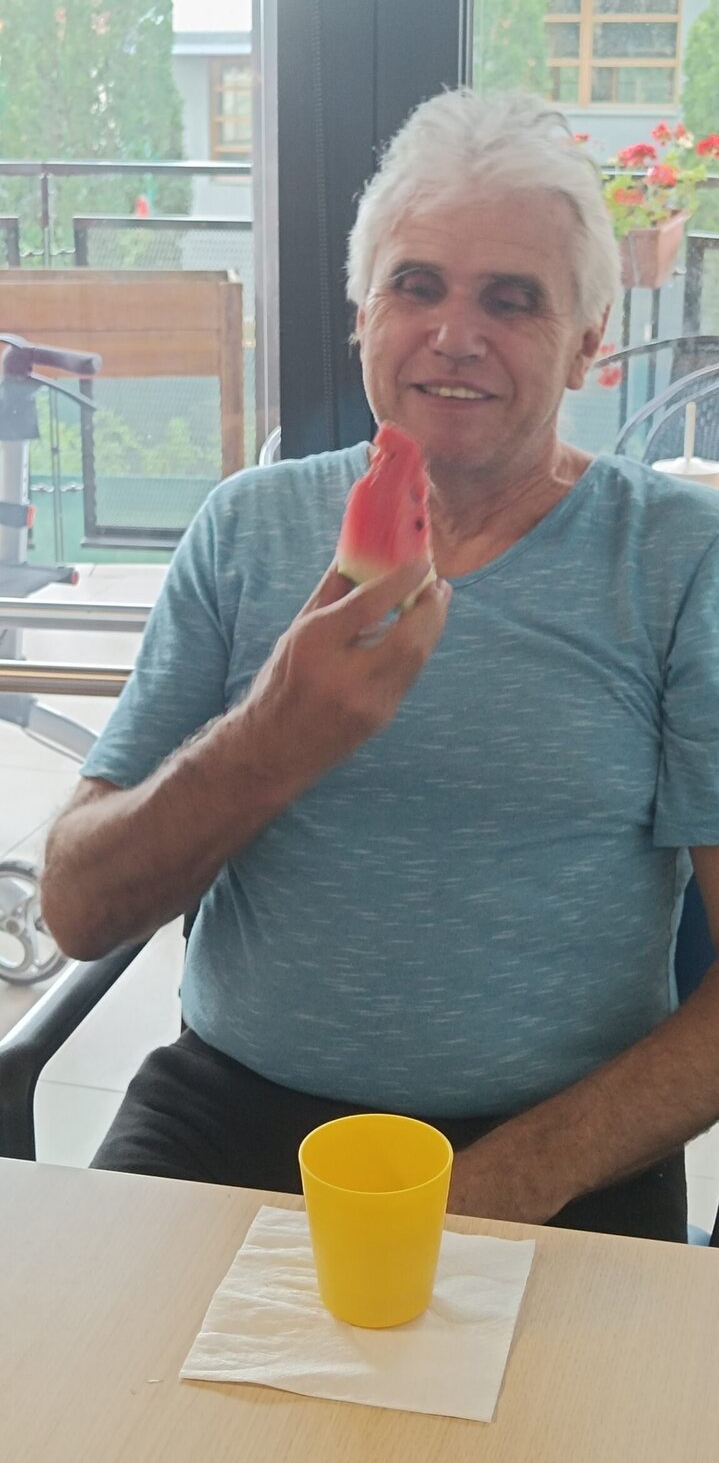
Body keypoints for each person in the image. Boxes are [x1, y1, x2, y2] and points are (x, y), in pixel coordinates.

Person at [42, 89, 719, 1243]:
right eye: (415, 284)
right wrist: (273, 739)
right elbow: (76, 906)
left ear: (589, 342)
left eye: (510, 299)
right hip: (229, 1113)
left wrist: (496, 1186)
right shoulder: (244, 528)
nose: (452, 334)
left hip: (556, 1149)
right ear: (361, 314)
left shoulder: (678, 560)